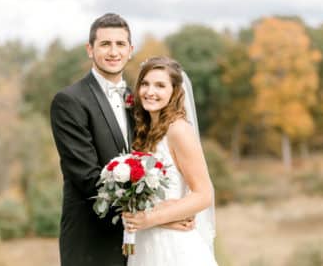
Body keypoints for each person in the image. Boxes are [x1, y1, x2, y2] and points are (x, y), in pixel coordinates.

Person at [51, 14, 193, 266]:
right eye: (105, 44)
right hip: (92, 244)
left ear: (130, 50)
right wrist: (158, 217)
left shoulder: (140, 100)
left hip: (143, 244)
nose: (113, 51)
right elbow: (87, 179)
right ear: (90, 49)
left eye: (120, 44)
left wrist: (156, 219)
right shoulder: (70, 101)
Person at [123, 57, 218, 266]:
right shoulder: (144, 130)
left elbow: (203, 194)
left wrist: (153, 219)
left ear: (174, 91)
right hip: (143, 243)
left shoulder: (179, 130)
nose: (150, 91)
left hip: (173, 247)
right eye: (145, 84)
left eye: (160, 85)